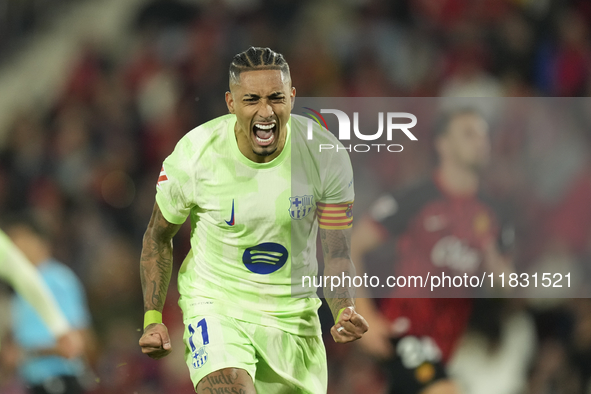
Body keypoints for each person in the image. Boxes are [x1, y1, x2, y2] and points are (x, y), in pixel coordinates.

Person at [138, 47, 368, 393]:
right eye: (252, 100)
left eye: (276, 98)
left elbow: (336, 252)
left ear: (291, 97)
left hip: (294, 319)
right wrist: (152, 318)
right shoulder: (195, 156)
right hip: (216, 306)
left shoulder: (326, 155)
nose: (265, 112)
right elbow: (157, 237)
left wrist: (344, 309)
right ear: (231, 103)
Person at [353, 108, 513, 394]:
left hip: (450, 343)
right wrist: (361, 313)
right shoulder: (416, 198)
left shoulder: (495, 212)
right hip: (404, 331)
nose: (480, 141)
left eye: (483, 135)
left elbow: (506, 285)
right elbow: (352, 245)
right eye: (468, 133)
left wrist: (488, 249)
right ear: (443, 144)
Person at [5, 216, 92, 394]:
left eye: (19, 239)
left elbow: (77, 342)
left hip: (61, 382)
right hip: (31, 383)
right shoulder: (19, 289)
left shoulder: (58, 280)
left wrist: (27, 352)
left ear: (40, 241)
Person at [0, 229, 82, 361]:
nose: (19, 246)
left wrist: (60, 330)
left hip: (60, 373)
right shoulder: (17, 293)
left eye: (24, 241)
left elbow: (78, 339)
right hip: (29, 374)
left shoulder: (59, 279)